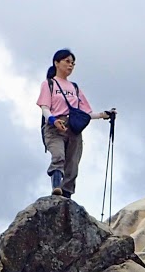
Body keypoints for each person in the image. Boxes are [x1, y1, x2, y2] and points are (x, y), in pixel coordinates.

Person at [36, 48, 115, 198]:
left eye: (73, 63)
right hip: (54, 126)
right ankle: (56, 186)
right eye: (67, 61)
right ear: (56, 63)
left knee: (72, 163)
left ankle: (66, 195)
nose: (70, 65)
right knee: (58, 155)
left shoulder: (75, 87)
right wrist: (53, 120)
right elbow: (44, 107)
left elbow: (85, 113)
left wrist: (104, 115)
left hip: (73, 128)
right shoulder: (49, 84)